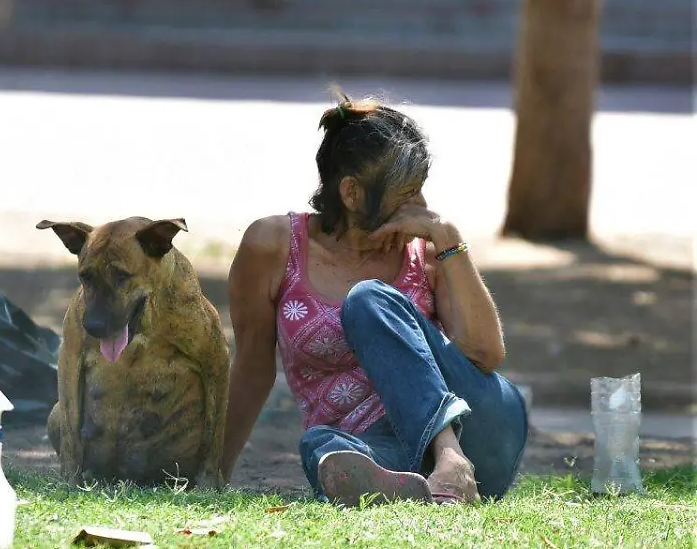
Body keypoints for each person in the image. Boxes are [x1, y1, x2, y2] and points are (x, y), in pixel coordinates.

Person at [221, 92, 528, 505]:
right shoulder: (272, 246)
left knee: (368, 301)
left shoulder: (431, 249)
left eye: (421, 189)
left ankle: (449, 460)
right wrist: (214, 470)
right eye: (406, 193)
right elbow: (253, 367)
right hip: (382, 448)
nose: (420, 207)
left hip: (479, 436)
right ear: (351, 193)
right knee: (321, 445)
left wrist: (451, 240)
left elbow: (487, 355)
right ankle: (411, 489)